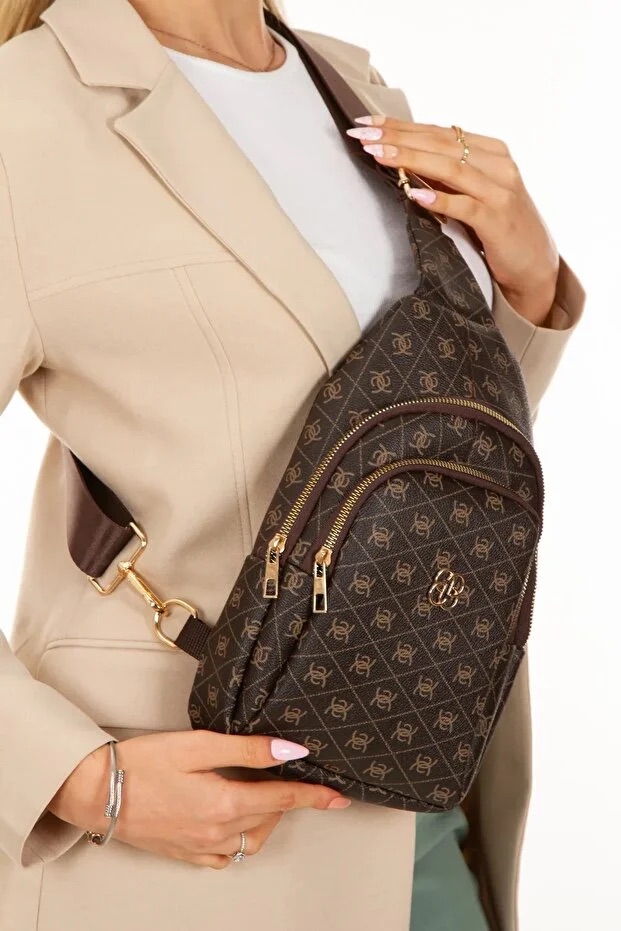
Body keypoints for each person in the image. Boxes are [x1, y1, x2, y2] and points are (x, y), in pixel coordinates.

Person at [0, 1, 584, 929]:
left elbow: (424, 455)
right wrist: (71, 776)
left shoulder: (351, 88)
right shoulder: (23, 121)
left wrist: (526, 289)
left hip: (431, 793)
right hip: (195, 853)